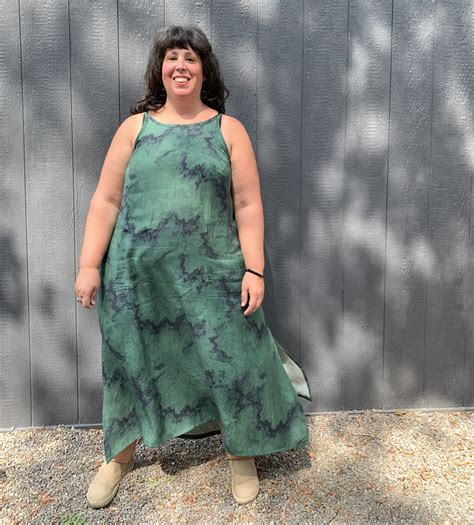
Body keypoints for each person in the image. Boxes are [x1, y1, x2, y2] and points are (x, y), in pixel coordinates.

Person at [75, 25, 312, 508]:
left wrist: (254, 269)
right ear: (159, 70)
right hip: (137, 279)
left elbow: (247, 204)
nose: (180, 66)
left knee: (233, 360)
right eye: (171, 58)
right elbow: (106, 200)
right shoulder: (134, 129)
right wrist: (88, 265)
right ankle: (118, 456)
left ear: (205, 71)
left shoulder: (228, 130)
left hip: (213, 277)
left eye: (190, 58)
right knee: (129, 361)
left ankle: (241, 451)